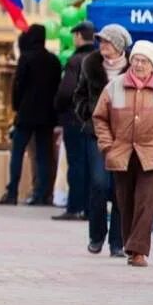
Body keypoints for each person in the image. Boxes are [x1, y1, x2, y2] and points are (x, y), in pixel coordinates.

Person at [93, 40, 153, 267]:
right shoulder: (114, 86)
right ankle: (131, 247)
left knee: (146, 202)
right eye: (136, 60)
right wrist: (107, 145)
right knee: (125, 202)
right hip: (121, 153)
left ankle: (139, 251)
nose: (139, 64)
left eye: (144, 61)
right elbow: (99, 117)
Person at [73, 24, 130, 257]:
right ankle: (96, 235)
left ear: (118, 45)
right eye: (101, 41)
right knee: (99, 184)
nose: (101, 45)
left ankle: (117, 242)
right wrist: (87, 113)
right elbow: (79, 94)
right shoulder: (90, 64)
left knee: (120, 188)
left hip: (124, 137)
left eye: (106, 42)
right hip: (95, 133)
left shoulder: (132, 68)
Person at [0, 25, 61, 206]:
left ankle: (12, 192)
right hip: (47, 115)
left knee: (17, 152)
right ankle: (42, 194)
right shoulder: (53, 60)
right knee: (43, 155)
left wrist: (16, 107)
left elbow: (18, 85)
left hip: (26, 113)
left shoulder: (26, 58)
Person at [53, 22, 96, 221]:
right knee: (90, 164)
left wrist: (58, 107)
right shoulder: (99, 59)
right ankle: (89, 208)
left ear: (78, 36)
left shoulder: (76, 60)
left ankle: (74, 206)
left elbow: (66, 91)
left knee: (76, 163)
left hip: (74, 118)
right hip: (94, 119)